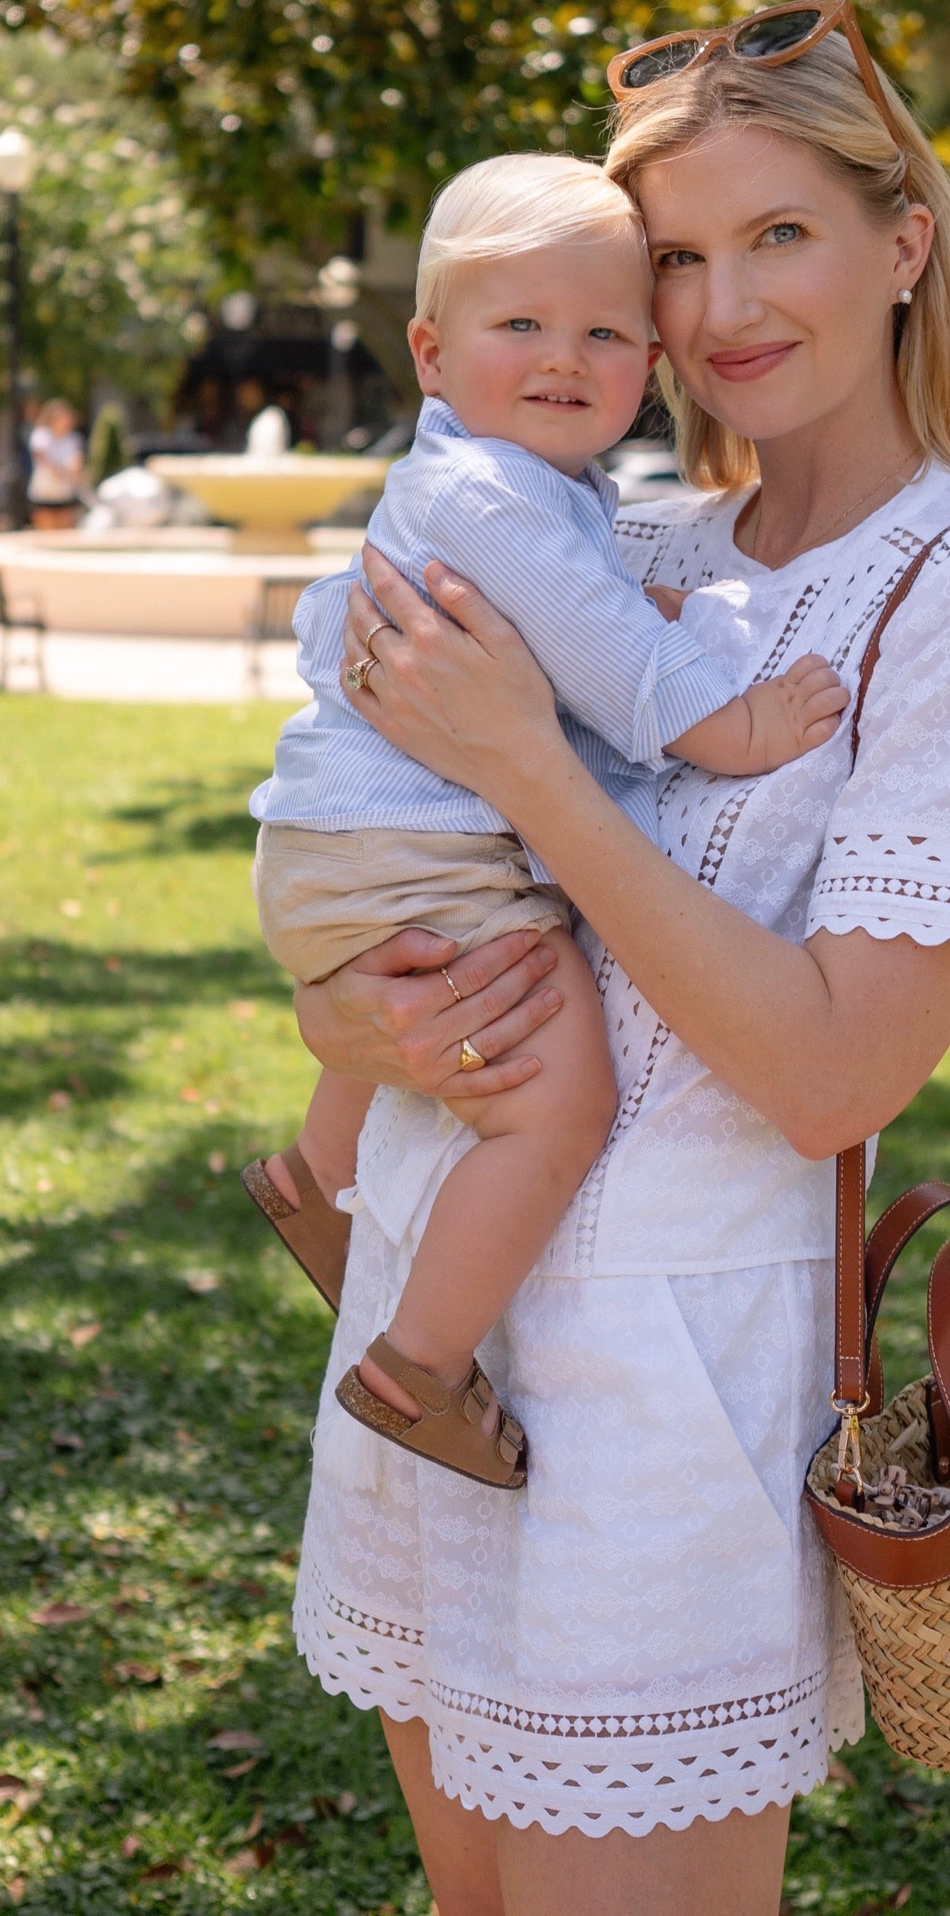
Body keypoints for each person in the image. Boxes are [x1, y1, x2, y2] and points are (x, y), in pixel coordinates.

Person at [286, 0, 950, 1916]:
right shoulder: (624, 543)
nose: (722, 306)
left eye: (780, 235)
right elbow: (372, 843)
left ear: (903, 243)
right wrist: (342, 1004)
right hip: (432, 1325)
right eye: (674, 259)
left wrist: (525, 771)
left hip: (667, 1407)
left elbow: (831, 1077)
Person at [244, 152, 847, 1490]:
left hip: (362, 842)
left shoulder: (506, 484)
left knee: (458, 970)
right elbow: (617, 673)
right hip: (407, 850)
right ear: (430, 350)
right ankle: (422, 1369)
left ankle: (315, 1173)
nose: (565, 357)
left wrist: (655, 620)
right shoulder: (493, 497)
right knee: (556, 1109)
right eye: (520, 324)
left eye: (606, 332)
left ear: (649, 357)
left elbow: (575, 623)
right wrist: (735, 724)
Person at [27, 399, 88, 528]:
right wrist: (66, 472)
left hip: (65, 494)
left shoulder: (73, 439)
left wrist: (68, 472)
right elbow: (44, 462)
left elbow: (76, 463)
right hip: (44, 493)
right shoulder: (40, 436)